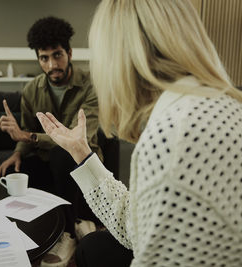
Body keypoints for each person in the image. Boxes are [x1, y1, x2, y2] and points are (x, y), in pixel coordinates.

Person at [37, 0, 242, 266]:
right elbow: (135, 223)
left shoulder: (174, 134)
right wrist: (80, 151)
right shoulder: (213, 103)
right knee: (94, 244)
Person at [0, 17, 102, 266]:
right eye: (44, 58)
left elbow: (82, 138)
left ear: (70, 53)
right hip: (47, 158)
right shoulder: (32, 89)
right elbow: (28, 130)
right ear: (38, 59)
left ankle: (67, 233)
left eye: (57, 55)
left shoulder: (90, 86)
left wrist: (28, 136)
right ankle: (26, 232)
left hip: (82, 160)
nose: (52, 64)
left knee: (61, 155)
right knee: (12, 170)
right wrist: (18, 150)